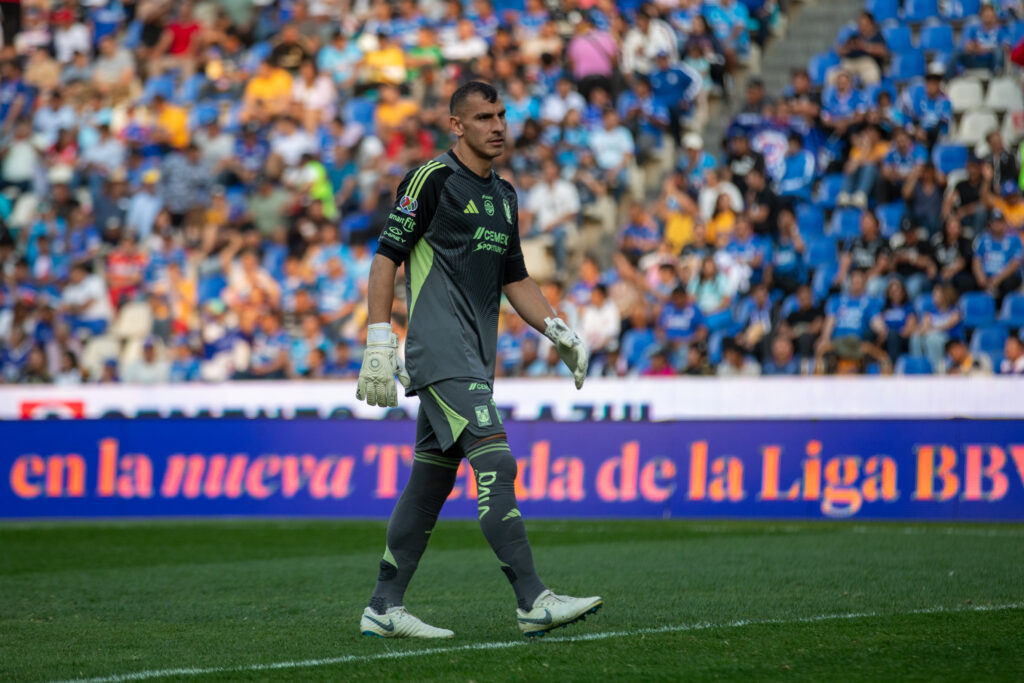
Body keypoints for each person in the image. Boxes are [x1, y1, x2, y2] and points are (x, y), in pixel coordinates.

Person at [355, 82, 598, 640]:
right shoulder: (431, 180)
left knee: (430, 483)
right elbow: (385, 259)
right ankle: (533, 600)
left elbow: (516, 277)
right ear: (457, 126)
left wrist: (557, 327)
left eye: (503, 115)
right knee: (497, 463)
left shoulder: (505, 196)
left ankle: (383, 606)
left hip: (474, 357)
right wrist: (377, 340)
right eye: (484, 117)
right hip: (440, 353)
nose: (498, 125)